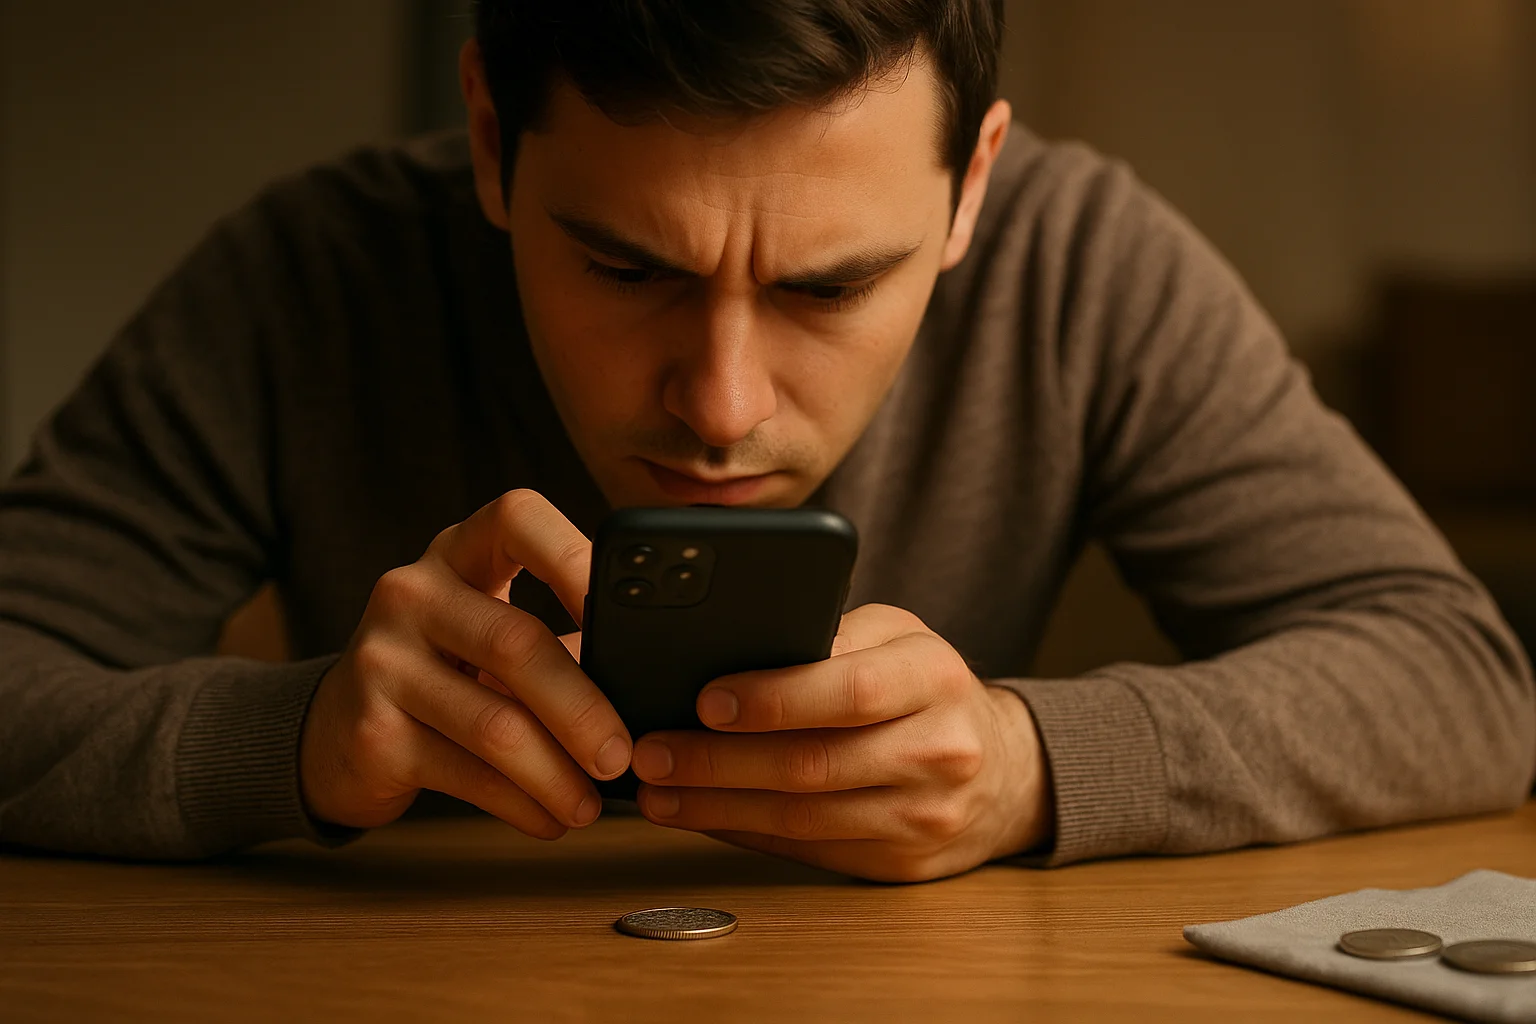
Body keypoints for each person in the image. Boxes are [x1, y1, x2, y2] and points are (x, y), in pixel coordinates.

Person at [0, 0, 1531, 883]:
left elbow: (1458, 680)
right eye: (626, 267)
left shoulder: (1085, 264)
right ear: (487, 138)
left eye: (833, 284)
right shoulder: (311, 273)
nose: (721, 407)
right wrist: (296, 741)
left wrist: (1026, 767)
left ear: (970, 191)